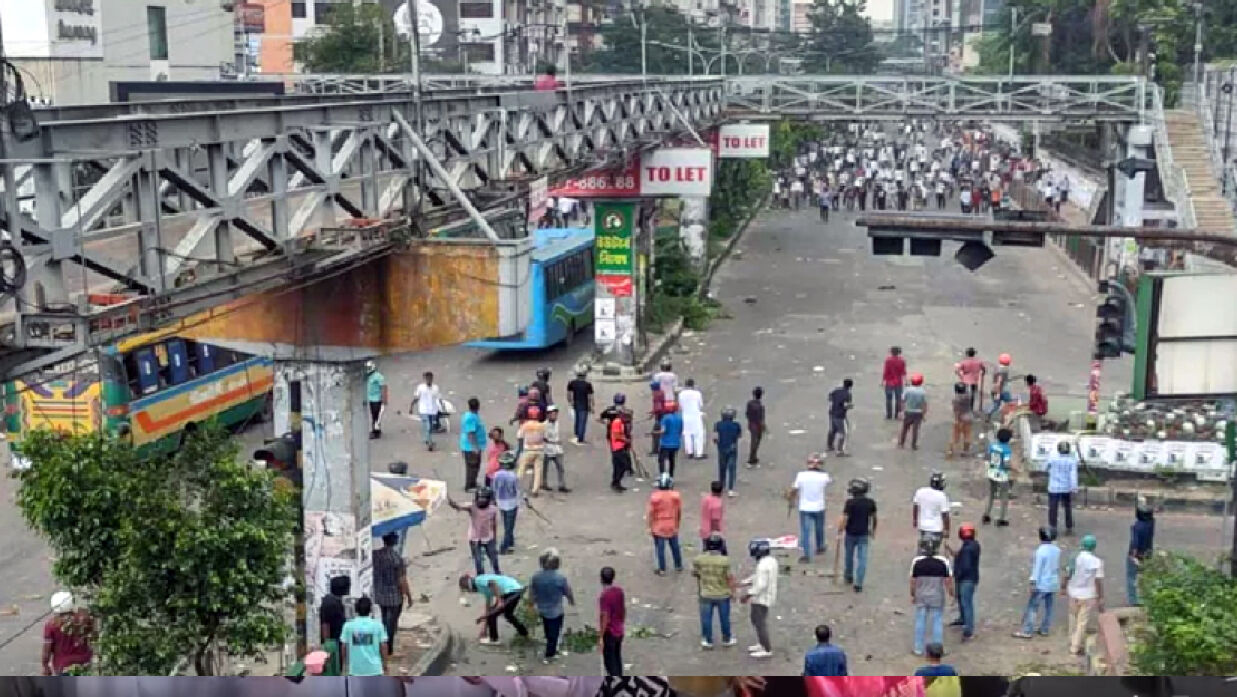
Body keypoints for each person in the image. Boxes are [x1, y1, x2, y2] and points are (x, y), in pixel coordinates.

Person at [530, 549, 575, 664]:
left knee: (547, 627)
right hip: (556, 609)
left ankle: (551, 645)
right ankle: (550, 654)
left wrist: (531, 604)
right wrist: (571, 600)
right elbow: (567, 591)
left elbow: (532, 593)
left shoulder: (536, 577)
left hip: (542, 608)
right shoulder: (560, 578)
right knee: (555, 632)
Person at [910, 537, 954, 657]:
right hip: (937, 596)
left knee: (920, 620)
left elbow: (913, 581)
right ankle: (937, 648)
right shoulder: (942, 562)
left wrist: (913, 594)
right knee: (937, 622)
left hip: (921, 595)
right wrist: (951, 592)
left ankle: (918, 648)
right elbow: (947, 581)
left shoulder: (917, 562)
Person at [1015, 527, 1061, 638]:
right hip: (1053, 582)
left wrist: (1033, 582)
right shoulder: (1057, 550)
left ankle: (1027, 630)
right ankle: (1045, 628)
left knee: (1033, 607)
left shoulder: (1040, 551)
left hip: (1042, 583)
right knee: (1048, 607)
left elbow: (1037, 568)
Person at [692, 533, 737, 650]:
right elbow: (729, 578)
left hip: (706, 593)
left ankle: (707, 639)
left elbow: (694, 573)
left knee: (706, 618)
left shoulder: (699, 559)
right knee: (724, 618)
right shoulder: (725, 561)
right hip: (722, 594)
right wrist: (733, 592)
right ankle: (726, 638)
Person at [372, 532, 414, 655]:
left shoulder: (375, 555)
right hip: (394, 596)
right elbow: (402, 581)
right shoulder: (396, 558)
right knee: (392, 622)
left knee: (384, 619)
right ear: (394, 541)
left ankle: (383, 643)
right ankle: (388, 646)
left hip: (380, 593)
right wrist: (409, 596)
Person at [460, 573, 529, 645]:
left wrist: (499, 601)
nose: (469, 592)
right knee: (507, 615)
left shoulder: (478, 581)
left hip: (512, 590)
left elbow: (492, 583)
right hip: (512, 591)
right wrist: (483, 628)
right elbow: (488, 607)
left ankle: (494, 640)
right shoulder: (482, 588)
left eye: (467, 590)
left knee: (492, 615)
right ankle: (525, 634)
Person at [1065, 534, 1105, 655]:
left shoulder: (1074, 557)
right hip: (1088, 594)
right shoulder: (1097, 562)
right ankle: (1075, 647)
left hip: (1073, 592)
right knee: (1082, 622)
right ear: (1093, 547)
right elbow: (1098, 581)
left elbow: (1068, 573)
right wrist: (1100, 596)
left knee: (1073, 618)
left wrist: (1063, 587)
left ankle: (1071, 640)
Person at [789, 454, 832, 564]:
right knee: (819, 528)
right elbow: (828, 481)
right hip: (819, 506)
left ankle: (806, 554)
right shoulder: (824, 476)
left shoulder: (801, 475)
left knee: (806, 531)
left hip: (805, 506)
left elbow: (794, 489)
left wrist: (792, 500)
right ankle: (820, 546)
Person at [449, 486, 501, 575]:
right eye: (480, 499)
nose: (481, 501)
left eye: (484, 499)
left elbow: (494, 524)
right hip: (474, 538)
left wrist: (495, 538)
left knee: (494, 558)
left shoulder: (493, 509)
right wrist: (451, 502)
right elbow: (458, 507)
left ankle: (497, 574)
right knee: (478, 561)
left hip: (488, 537)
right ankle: (481, 577)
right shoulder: (472, 507)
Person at [740, 538, 778, 659]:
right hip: (768, 595)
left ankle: (766, 648)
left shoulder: (762, 566)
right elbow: (758, 577)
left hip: (761, 598)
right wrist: (746, 581)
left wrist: (748, 594)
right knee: (756, 620)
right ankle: (761, 643)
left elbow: (760, 585)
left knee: (759, 622)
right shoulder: (771, 561)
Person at [838, 478, 877, 592]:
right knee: (862, 559)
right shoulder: (870, 503)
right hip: (863, 533)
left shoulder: (850, 503)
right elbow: (874, 518)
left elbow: (845, 518)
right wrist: (873, 530)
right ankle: (859, 583)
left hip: (850, 533)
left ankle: (848, 576)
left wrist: (840, 530)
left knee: (849, 556)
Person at [42, 592, 91, 676]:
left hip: (63, 667)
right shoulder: (84, 619)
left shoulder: (51, 625)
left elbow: (47, 651)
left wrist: (45, 666)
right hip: (84, 663)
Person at [340, 596, 388, 676]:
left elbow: (343, 647)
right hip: (375, 669)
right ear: (370, 610)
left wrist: (344, 664)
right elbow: (383, 646)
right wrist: (385, 664)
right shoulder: (378, 626)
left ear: (356, 609)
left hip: (355, 670)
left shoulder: (348, 626)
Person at [647, 473, 684, 575]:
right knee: (675, 546)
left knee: (660, 548)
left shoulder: (655, 497)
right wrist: (677, 524)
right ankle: (678, 565)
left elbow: (651, 513)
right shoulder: (675, 496)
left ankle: (662, 568)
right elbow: (679, 511)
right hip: (672, 523)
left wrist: (649, 526)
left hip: (659, 525)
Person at [949, 524, 980, 641]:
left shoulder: (967, 549)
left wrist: (958, 574)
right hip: (971, 578)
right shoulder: (974, 546)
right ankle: (963, 620)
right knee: (964, 602)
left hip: (965, 579)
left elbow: (965, 565)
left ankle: (968, 630)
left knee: (966, 604)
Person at [1045, 441, 1078, 534]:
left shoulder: (1052, 458)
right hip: (1066, 488)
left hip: (1053, 487)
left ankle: (1052, 526)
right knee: (1067, 507)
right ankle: (1069, 526)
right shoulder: (1072, 460)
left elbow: (1045, 467)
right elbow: (1073, 475)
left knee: (1053, 507)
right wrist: (1074, 487)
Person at [598, 566, 626, 676]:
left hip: (610, 632)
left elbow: (605, 616)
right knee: (617, 656)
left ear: (601, 579)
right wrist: (621, 621)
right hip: (619, 630)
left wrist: (601, 636)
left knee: (609, 661)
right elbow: (623, 608)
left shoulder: (604, 596)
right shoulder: (619, 591)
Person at [983, 428, 1013, 527]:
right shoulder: (1007, 449)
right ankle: (1002, 518)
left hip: (991, 472)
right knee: (1004, 497)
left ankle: (987, 514)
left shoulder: (992, 446)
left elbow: (987, 457)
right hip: (1002, 475)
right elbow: (1006, 464)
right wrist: (1014, 469)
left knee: (991, 494)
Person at [1127, 502, 1155, 606]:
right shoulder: (1151, 523)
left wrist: (1132, 556)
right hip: (1147, 553)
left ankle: (1133, 600)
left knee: (1131, 577)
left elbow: (1135, 543)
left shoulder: (1137, 527)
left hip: (1137, 554)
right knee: (1145, 576)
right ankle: (1145, 597)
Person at [492, 452, 520, 555]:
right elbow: (518, 491)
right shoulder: (513, 476)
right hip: (512, 503)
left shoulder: (496, 475)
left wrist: (494, 500)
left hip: (500, 501)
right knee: (509, 526)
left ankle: (511, 542)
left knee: (506, 523)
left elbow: (494, 488)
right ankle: (504, 546)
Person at [517, 406, 547, 494]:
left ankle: (517, 486)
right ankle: (535, 490)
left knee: (522, 469)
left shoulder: (525, 426)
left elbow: (519, 436)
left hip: (528, 450)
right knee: (538, 471)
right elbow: (546, 437)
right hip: (539, 450)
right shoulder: (542, 426)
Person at [714, 406, 742, 496]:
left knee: (722, 468)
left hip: (721, 448)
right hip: (732, 448)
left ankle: (721, 487)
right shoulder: (736, 425)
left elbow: (715, 438)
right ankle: (730, 489)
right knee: (732, 469)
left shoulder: (718, 424)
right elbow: (739, 436)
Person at [460, 397, 487, 492]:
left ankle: (473, 482)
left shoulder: (470, 415)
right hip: (471, 447)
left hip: (471, 446)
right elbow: (471, 434)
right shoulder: (471, 418)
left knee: (475, 465)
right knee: (472, 467)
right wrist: (475, 447)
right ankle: (469, 486)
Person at [607, 394, 632, 492]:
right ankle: (616, 482)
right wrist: (626, 440)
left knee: (618, 466)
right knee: (622, 465)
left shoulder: (620, 422)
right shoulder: (617, 422)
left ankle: (616, 483)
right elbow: (617, 436)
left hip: (619, 446)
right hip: (617, 447)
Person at [544, 405, 570, 493]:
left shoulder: (557, 423)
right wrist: (553, 442)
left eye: (555, 414)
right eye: (552, 414)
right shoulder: (544, 425)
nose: (554, 415)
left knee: (560, 467)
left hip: (557, 448)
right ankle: (544, 484)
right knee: (544, 468)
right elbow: (544, 438)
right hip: (547, 448)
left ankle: (561, 485)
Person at [413, 371, 442, 451]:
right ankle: (429, 443)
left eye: (430, 378)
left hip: (433, 410)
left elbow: (438, 398)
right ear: (425, 379)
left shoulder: (436, 388)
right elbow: (416, 397)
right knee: (428, 425)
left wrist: (441, 407)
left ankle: (427, 438)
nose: (429, 380)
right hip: (423, 409)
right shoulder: (420, 387)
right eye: (427, 378)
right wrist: (411, 407)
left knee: (429, 426)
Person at [679, 379, 707, 459]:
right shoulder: (697, 393)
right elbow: (700, 405)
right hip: (695, 415)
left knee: (687, 434)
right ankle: (698, 453)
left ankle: (689, 452)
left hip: (686, 416)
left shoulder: (681, 394)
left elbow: (681, 406)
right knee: (698, 435)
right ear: (693, 385)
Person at [899, 373, 928, 450]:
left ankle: (901, 443)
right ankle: (913, 445)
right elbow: (924, 404)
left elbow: (902, 401)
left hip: (908, 411)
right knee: (915, 430)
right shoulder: (922, 392)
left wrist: (902, 411)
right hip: (918, 413)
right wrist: (924, 414)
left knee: (905, 428)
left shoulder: (907, 390)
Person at [320, 575, 350, 645]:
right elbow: (325, 624)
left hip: (337, 640)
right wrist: (328, 644)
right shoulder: (331, 603)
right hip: (334, 642)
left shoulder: (334, 601)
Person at [566, 368, 594, 444]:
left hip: (576, 404)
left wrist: (570, 402)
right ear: (585, 376)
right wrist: (590, 406)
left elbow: (569, 394)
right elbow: (590, 397)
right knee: (582, 421)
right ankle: (581, 438)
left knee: (577, 419)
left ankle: (577, 434)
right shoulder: (588, 385)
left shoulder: (572, 383)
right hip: (584, 405)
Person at [827, 378, 854, 455]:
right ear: (850, 386)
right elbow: (846, 405)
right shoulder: (848, 394)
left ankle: (830, 445)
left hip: (832, 413)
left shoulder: (836, 390)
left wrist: (832, 404)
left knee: (833, 429)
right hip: (840, 415)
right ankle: (840, 450)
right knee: (843, 432)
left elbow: (830, 397)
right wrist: (850, 406)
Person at [658, 400, 684, 478]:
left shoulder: (665, 418)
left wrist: (656, 433)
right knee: (672, 460)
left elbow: (663, 430)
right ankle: (671, 475)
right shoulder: (679, 418)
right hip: (676, 443)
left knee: (662, 459)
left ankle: (663, 475)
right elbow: (680, 430)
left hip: (666, 443)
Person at [948, 382, 972, 458]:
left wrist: (956, 420)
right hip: (969, 417)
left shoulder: (956, 399)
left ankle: (950, 452)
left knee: (955, 436)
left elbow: (956, 411)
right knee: (967, 435)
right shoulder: (968, 396)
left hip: (960, 418)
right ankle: (965, 452)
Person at [700, 480, 726, 550]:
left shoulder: (706, 499)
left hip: (704, 529)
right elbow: (715, 521)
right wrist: (718, 534)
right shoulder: (717, 504)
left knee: (705, 552)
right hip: (712, 533)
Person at [883, 347, 907, 420]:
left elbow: (885, 372)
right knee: (898, 399)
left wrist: (883, 381)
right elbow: (903, 372)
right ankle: (897, 414)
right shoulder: (902, 361)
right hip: (898, 382)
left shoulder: (888, 360)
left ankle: (889, 415)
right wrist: (906, 381)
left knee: (889, 399)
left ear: (891, 352)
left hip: (889, 382)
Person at [987, 354, 1012, 421]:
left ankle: (989, 415)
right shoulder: (1004, 370)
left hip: (994, 389)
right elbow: (999, 382)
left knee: (996, 405)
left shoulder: (997, 367)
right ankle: (1003, 418)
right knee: (1007, 403)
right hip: (1002, 390)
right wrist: (998, 393)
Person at [366, 360, 387, 439]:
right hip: (371, 399)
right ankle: (376, 430)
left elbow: (383, 388)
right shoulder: (369, 376)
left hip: (377, 399)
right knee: (374, 416)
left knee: (376, 416)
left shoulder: (378, 376)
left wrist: (383, 400)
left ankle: (376, 432)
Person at [746, 387, 766, 466]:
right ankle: (752, 457)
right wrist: (763, 426)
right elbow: (761, 418)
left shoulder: (749, 403)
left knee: (753, 440)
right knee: (756, 441)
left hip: (751, 424)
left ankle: (753, 457)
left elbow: (747, 414)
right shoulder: (760, 406)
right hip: (758, 425)